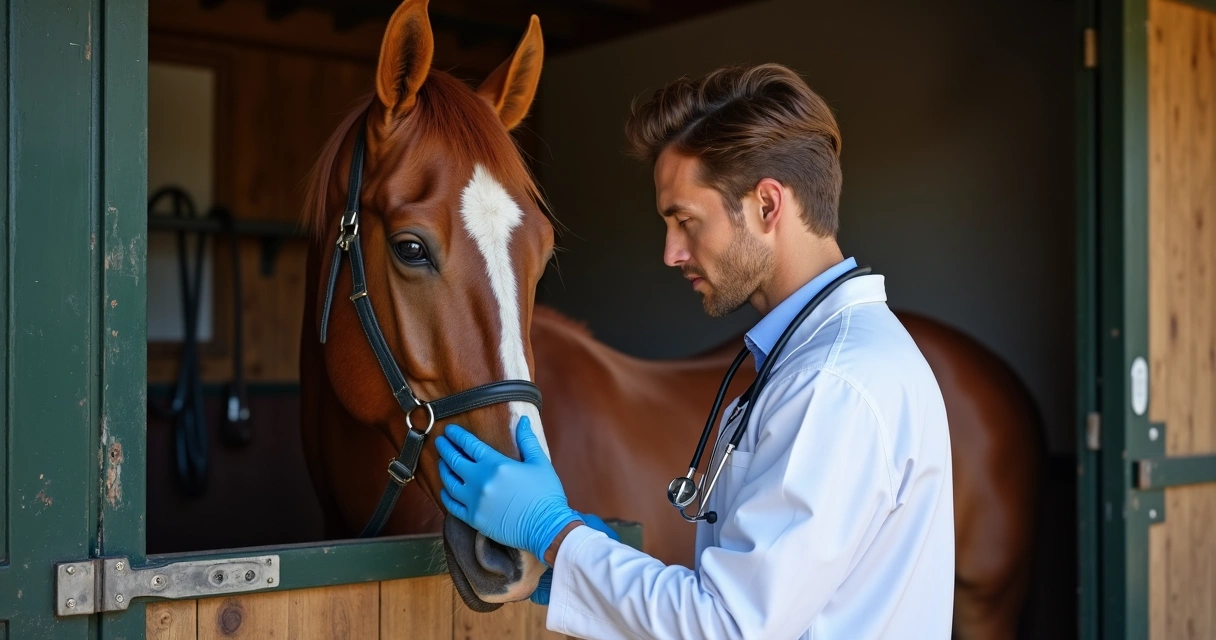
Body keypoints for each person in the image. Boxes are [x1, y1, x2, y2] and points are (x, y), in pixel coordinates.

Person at [435, 62, 955, 639]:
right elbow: (748, 601)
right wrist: (577, 566)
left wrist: (555, 533)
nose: (671, 253)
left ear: (766, 206)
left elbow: (726, 627)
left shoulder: (834, 385)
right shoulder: (823, 360)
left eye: (685, 221)